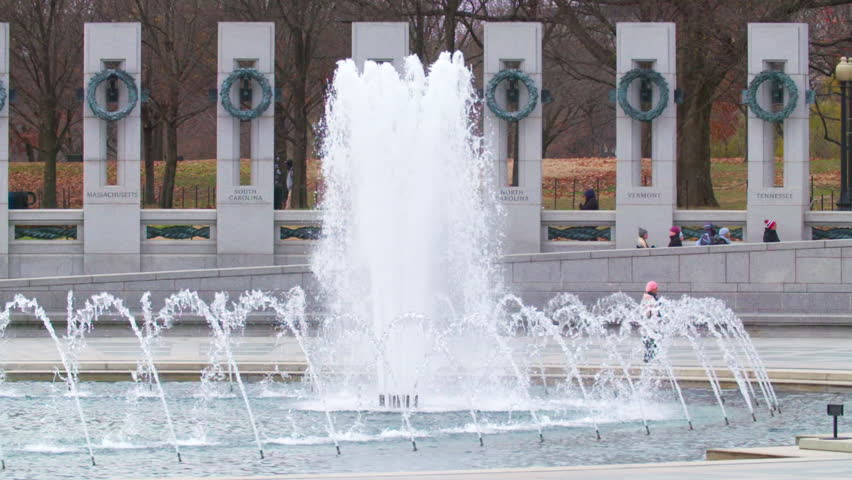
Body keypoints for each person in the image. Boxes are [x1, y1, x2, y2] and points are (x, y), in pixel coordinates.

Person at [641, 281, 661, 363]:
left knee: (653, 341)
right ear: (652, 289)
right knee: (650, 341)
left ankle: (650, 357)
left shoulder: (652, 297)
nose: (657, 290)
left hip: (653, 324)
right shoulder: (649, 298)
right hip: (651, 325)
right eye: (655, 288)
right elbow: (648, 313)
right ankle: (649, 358)